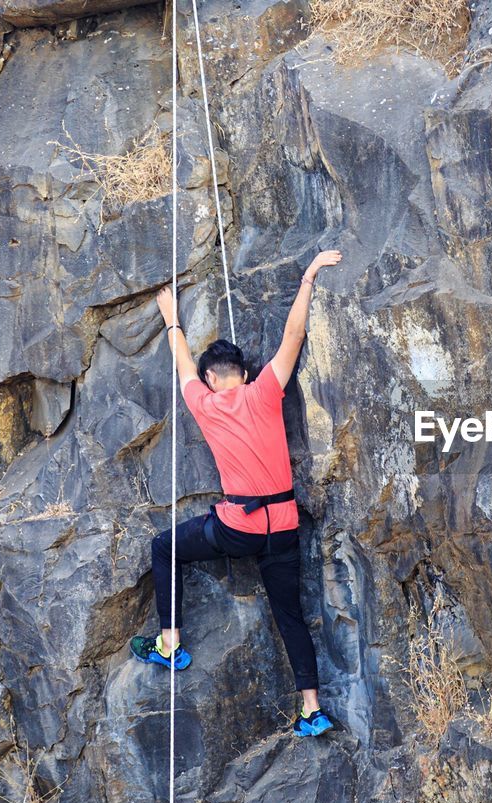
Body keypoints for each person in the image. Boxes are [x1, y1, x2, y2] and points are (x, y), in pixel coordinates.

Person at [129, 249, 343, 738]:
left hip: (238, 529)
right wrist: (308, 275)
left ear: (212, 379)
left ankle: (169, 643)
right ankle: (312, 708)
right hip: (284, 527)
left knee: (165, 547)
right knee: (290, 615)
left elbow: (183, 365)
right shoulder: (265, 391)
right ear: (244, 374)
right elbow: (294, 336)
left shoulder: (204, 403)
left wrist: (172, 321)